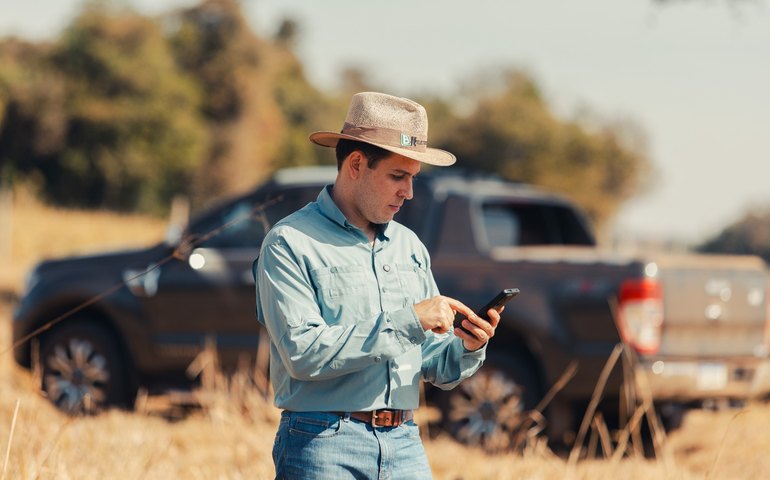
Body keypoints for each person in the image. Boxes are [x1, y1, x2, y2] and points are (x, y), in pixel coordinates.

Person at [255, 92, 500, 479]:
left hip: (405, 443)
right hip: (322, 443)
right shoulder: (290, 243)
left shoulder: (410, 247)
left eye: (413, 178)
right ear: (356, 164)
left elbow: (433, 361)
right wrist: (409, 320)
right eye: (397, 176)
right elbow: (302, 353)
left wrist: (469, 346)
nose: (409, 192)